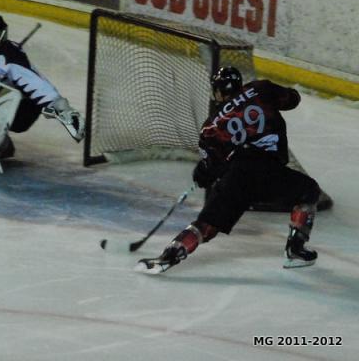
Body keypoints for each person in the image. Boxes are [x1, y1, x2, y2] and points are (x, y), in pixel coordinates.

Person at [135, 66, 321, 274]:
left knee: (207, 225)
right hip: (268, 172)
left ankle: (170, 254)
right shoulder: (260, 89)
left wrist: (202, 172)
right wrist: (288, 95)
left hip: (237, 178)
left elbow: (211, 168)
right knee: (309, 190)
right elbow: (292, 100)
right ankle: (295, 250)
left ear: (218, 91)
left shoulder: (210, 127)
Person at [0, 12, 84, 181]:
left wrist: (65, 112)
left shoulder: (13, 60)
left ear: (3, 36)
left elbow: (42, 89)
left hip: (23, 112)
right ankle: (2, 145)